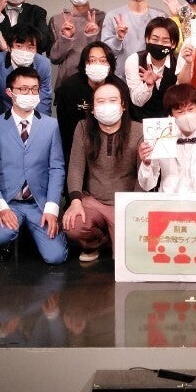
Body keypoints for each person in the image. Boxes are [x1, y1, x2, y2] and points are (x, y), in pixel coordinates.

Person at [0, 66, 68, 264]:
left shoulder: (51, 126)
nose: (30, 94)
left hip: (39, 202)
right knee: (1, 235)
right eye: (23, 89)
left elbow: (57, 168)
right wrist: (0, 206)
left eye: (34, 89)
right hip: (10, 200)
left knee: (55, 257)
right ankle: (11, 237)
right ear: (10, 92)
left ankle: (39, 234)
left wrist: (52, 208)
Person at [61, 81, 143, 262]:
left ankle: (114, 239)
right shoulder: (83, 128)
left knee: (125, 258)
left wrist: (134, 207)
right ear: (92, 108)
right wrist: (75, 201)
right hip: (93, 200)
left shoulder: (139, 130)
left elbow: (143, 174)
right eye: (100, 101)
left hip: (124, 203)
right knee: (72, 226)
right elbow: (75, 167)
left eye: (113, 100)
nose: (107, 106)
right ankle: (97, 242)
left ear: (123, 105)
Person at [54, 41, 119, 168]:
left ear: (110, 64)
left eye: (103, 61)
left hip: (111, 152)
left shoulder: (119, 87)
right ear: (84, 64)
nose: (97, 65)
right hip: (75, 149)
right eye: (92, 61)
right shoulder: (69, 87)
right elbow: (64, 127)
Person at [0, 23, 54, 119]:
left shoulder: (44, 65)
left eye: (30, 48)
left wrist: (41, 124)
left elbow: (44, 100)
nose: (25, 52)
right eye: (19, 46)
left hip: (33, 117)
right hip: (1, 116)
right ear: (9, 47)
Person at [101, 0, 165, 77]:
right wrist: (118, 38)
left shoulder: (160, 16)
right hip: (121, 78)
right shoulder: (113, 16)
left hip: (153, 77)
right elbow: (105, 53)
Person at [48, 0, 106, 86]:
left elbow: (108, 54)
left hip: (97, 82)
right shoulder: (57, 20)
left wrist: (93, 35)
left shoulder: (102, 17)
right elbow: (54, 58)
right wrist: (65, 38)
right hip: (66, 82)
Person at [125, 16, 182, 121]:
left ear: (173, 44)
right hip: (138, 121)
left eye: (165, 41)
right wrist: (148, 85)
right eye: (155, 39)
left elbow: (178, 100)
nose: (159, 44)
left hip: (168, 122)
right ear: (147, 39)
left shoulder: (179, 63)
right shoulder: (134, 60)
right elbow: (136, 101)